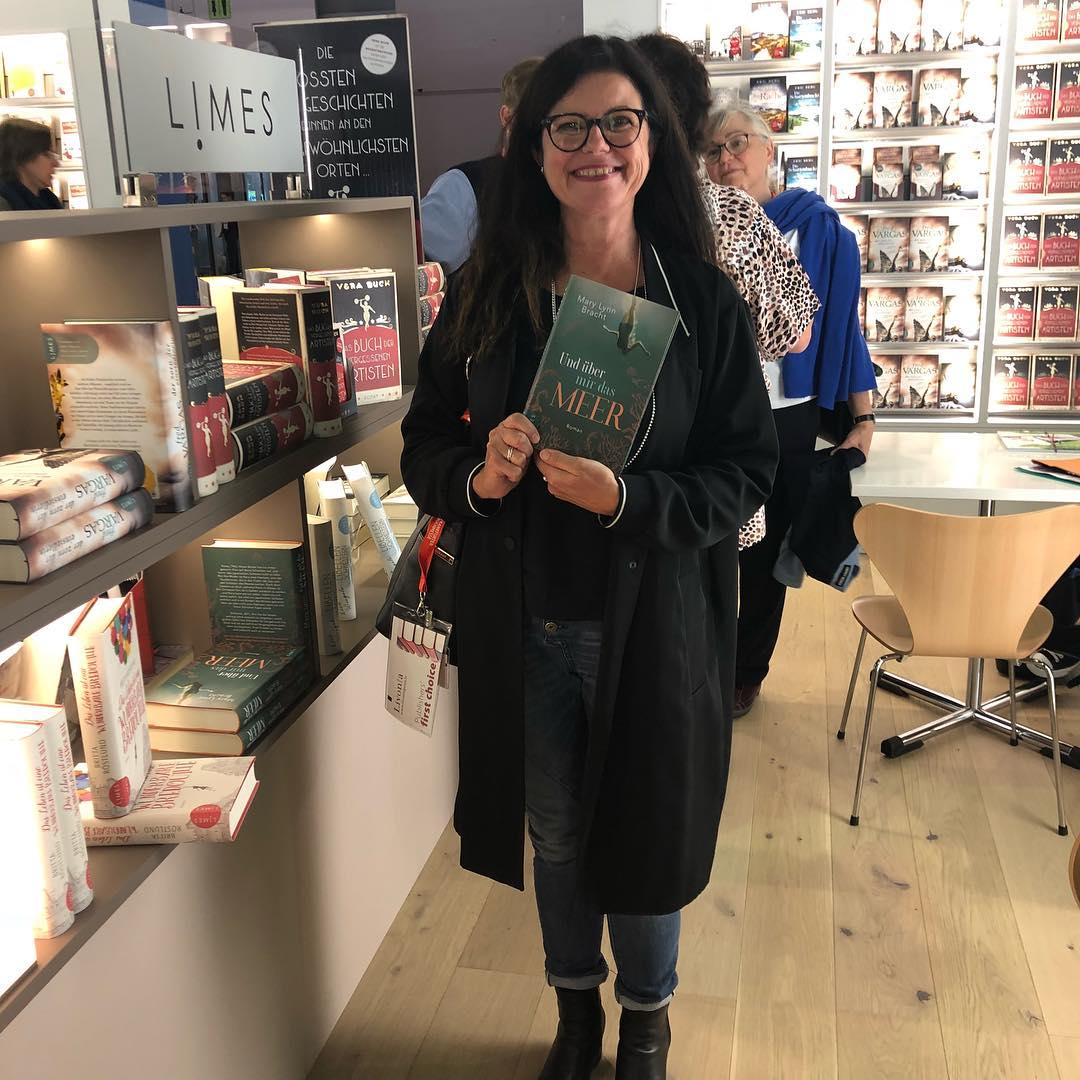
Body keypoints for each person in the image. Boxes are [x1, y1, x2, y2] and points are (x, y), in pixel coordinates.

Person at [401, 35, 778, 1080]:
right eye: (568, 126)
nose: (595, 146)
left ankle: (646, 1022)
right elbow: (423, 443)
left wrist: (628, 497)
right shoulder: (487, 294)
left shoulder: (700, 303)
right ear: (533, 146)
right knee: (556, 834)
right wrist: (478, 479)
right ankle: (577, 1014)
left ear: (652, 141)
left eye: (619, 122)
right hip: (521, 618)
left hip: (651, 624)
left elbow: (747, 472)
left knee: (645, 834)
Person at [707, 103, 878, 718]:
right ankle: (701, 664)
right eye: (713, 150)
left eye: (737, 143)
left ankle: (746, 671)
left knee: (768, 546)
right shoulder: (701, 226)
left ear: (769, 150)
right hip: (717, 411)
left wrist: (864, 417)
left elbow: (844, 330)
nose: (725, 158)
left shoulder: (819, 231)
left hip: (788, 413)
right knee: (711, 541)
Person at [631, 32, 819, 550]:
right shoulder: (729, 213)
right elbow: (796, 335)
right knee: (715, 594)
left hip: (612, 475)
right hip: (713, 476)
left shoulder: (595, 211)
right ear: (698, 126)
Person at [420, 56, 542, 273]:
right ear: (507, 117)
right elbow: (413, 268)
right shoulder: (464, 188)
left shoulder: (576, 185)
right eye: (538, 116)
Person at [0, 117, 63, 211]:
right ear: (22, 155)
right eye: (47, 154)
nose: (56, 163)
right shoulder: (4, 204)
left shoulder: (49, 200)